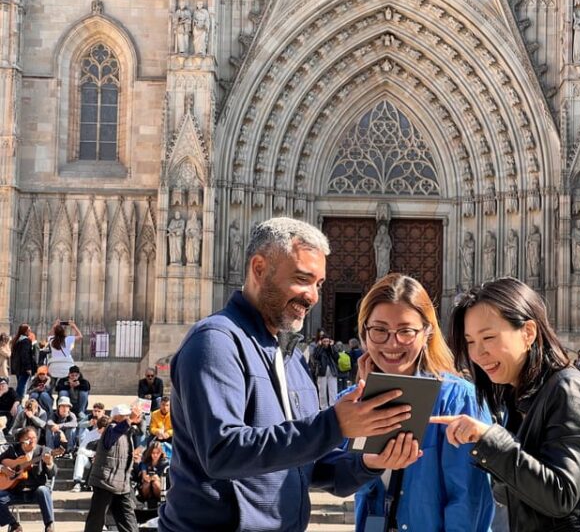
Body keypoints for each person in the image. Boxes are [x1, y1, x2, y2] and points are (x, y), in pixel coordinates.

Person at [158, 217, 422, 532]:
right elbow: (222, 452)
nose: (312, 296)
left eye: (319, 284)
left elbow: (306, 464)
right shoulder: (216, 341)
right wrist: (334, 424)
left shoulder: (291, 358)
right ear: (258, 268)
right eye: (302, 278)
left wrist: (369, 463)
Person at [434, 277, 580, 531]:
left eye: (489, 337)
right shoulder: (518, 398)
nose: (478, 353)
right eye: (470, 341)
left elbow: (561, 494)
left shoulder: (568, 391)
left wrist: (491, 440)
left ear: (528, 332)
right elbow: (518, 494)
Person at [348, 274, 494, 531]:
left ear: (427, 332)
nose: (392, 343)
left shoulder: (458, 400)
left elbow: (468, 502)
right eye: (380, 330)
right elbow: (340, 478)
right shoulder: (351, 402)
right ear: (364, 333)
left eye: (405, 331)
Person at [84, 404, 141, 532]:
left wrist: (137, 419)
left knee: (129, 523)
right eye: (125, 416)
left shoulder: (126, 431)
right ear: (116, 417)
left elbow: (139, 430)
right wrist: (130, 420)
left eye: (128, 415)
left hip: (122, 485)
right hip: (105, 482)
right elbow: (115, 433)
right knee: (96, 521)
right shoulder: (111, 429)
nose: (128, 417)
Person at [0, 426, 57, 532]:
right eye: (28, 438)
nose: (32, 441)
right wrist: (3, 469)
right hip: (15, 491)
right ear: (21, 440)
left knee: (43, 490)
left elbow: (53, 473)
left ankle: (49, 525)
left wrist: (49, 463)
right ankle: (14, 525)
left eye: (34, 438)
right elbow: (1, 462)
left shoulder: (44, 451)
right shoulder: (12, 450)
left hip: (35, 492)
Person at [72, 414, 110, 492]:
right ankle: (77, 482)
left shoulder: (110, 435)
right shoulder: (91, 434)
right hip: (90, 460)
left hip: (104, 462)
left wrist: (99, 456)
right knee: (80, 456)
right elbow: (81, 450)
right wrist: (93, 454)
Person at [9, 324, 37, 397]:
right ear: (25, 331)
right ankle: (17, 401)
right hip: (24, 367)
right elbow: (25, 355)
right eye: (29, 330)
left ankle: (18, 400)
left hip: (17, 367)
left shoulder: (17, 340)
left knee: (20, 384)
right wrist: (28, 368)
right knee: (22, 385)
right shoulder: (26, 341)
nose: (30, 331)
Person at [138, 441, 169, 506]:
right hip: (147, 489)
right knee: (147, 483)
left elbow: (165, 481)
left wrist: (157, 479)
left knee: (156, 483)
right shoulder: (146, 462)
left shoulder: (165, 463)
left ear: (161, 453)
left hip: (160, 487)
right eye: (153, 453)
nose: (155, 455)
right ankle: (145, 501)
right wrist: (146, 477)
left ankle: (160, 502)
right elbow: (144, 475)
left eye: (157, 453)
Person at [313, 333, 339, 409]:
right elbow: (316, 356)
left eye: (327, 341)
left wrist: (332, 346)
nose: (326, 343)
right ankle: (323, 407)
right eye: (324, 341)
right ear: (321, 341)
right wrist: (320, 346)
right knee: (322, 391)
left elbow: (336, 357)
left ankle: (333, 406)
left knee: (333, 390)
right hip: (322, 371)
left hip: (332, 370)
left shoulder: (332, 348)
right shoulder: (318, 348)